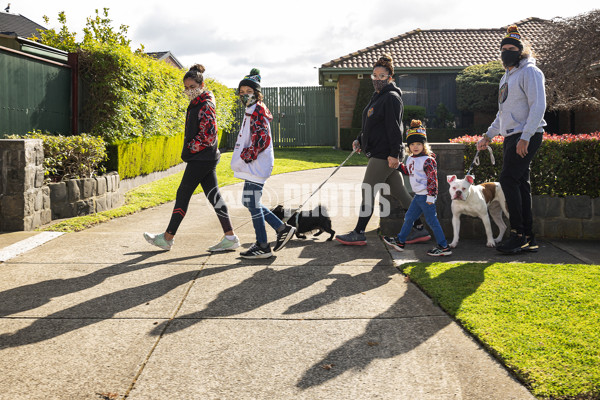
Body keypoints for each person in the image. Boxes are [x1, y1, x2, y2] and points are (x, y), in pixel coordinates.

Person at [335, 53, 431, 246]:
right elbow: (372, 125)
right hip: (381, 153)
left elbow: (395, 129)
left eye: (381, 76)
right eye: (374, 75)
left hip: (384, 155)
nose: (377, 79)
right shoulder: (377, 97)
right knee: (401, 193)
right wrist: (360, 140)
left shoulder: (392, 98)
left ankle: (359, 232)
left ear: (390, 77)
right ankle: (420, 230)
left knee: (367, 189)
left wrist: (395, 154)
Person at [144, 64, 239, 252]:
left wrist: (189, 148)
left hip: (201, 158)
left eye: (192, 87)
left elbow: (209, 135)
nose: (188, 91)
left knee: (183, 194)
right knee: (214, 196)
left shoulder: (205, 105)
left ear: (201, 84)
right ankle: (230, 237)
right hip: (206, 157)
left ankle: (167, 238)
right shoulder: (199, 102)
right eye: (186, 88)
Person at [477, 25, 546, 254]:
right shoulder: (506, 77)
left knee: (507, 180)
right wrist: (487, 136)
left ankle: (517, 234)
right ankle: (528, 237)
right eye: (503, 48)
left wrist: (525, 137)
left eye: (511, 48)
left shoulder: (530, 72)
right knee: (520, 185)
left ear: (521, 50)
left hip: (526, 135)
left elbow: (539, 106)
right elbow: (502, 114)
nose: (507, 52)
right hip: (511, 136)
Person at [231, 68, 296, 259]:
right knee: (250, 201)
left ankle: (263, 244)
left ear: (256, 93)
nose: (244, 95)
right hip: (256, 164)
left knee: (251, 201)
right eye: (241, 92)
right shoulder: (253, 109)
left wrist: (247, 155)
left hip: (257, 164)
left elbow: (261, 137)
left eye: (248, 92)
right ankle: (280, 229)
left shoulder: (257, 109)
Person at [383, 120, 452, 256]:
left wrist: (431, 197)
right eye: (412, 144)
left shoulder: (428, 160)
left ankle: (444, 247)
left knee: (432, 221)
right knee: (409, 217)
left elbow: (433, 180)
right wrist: (397, 166)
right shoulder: (410, 159)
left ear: (423, 145)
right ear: (409, 146)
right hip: (418, 196)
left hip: (426, 196)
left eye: (419, 144)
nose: (415, 147)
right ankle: (400, 241)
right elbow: (409, 171)